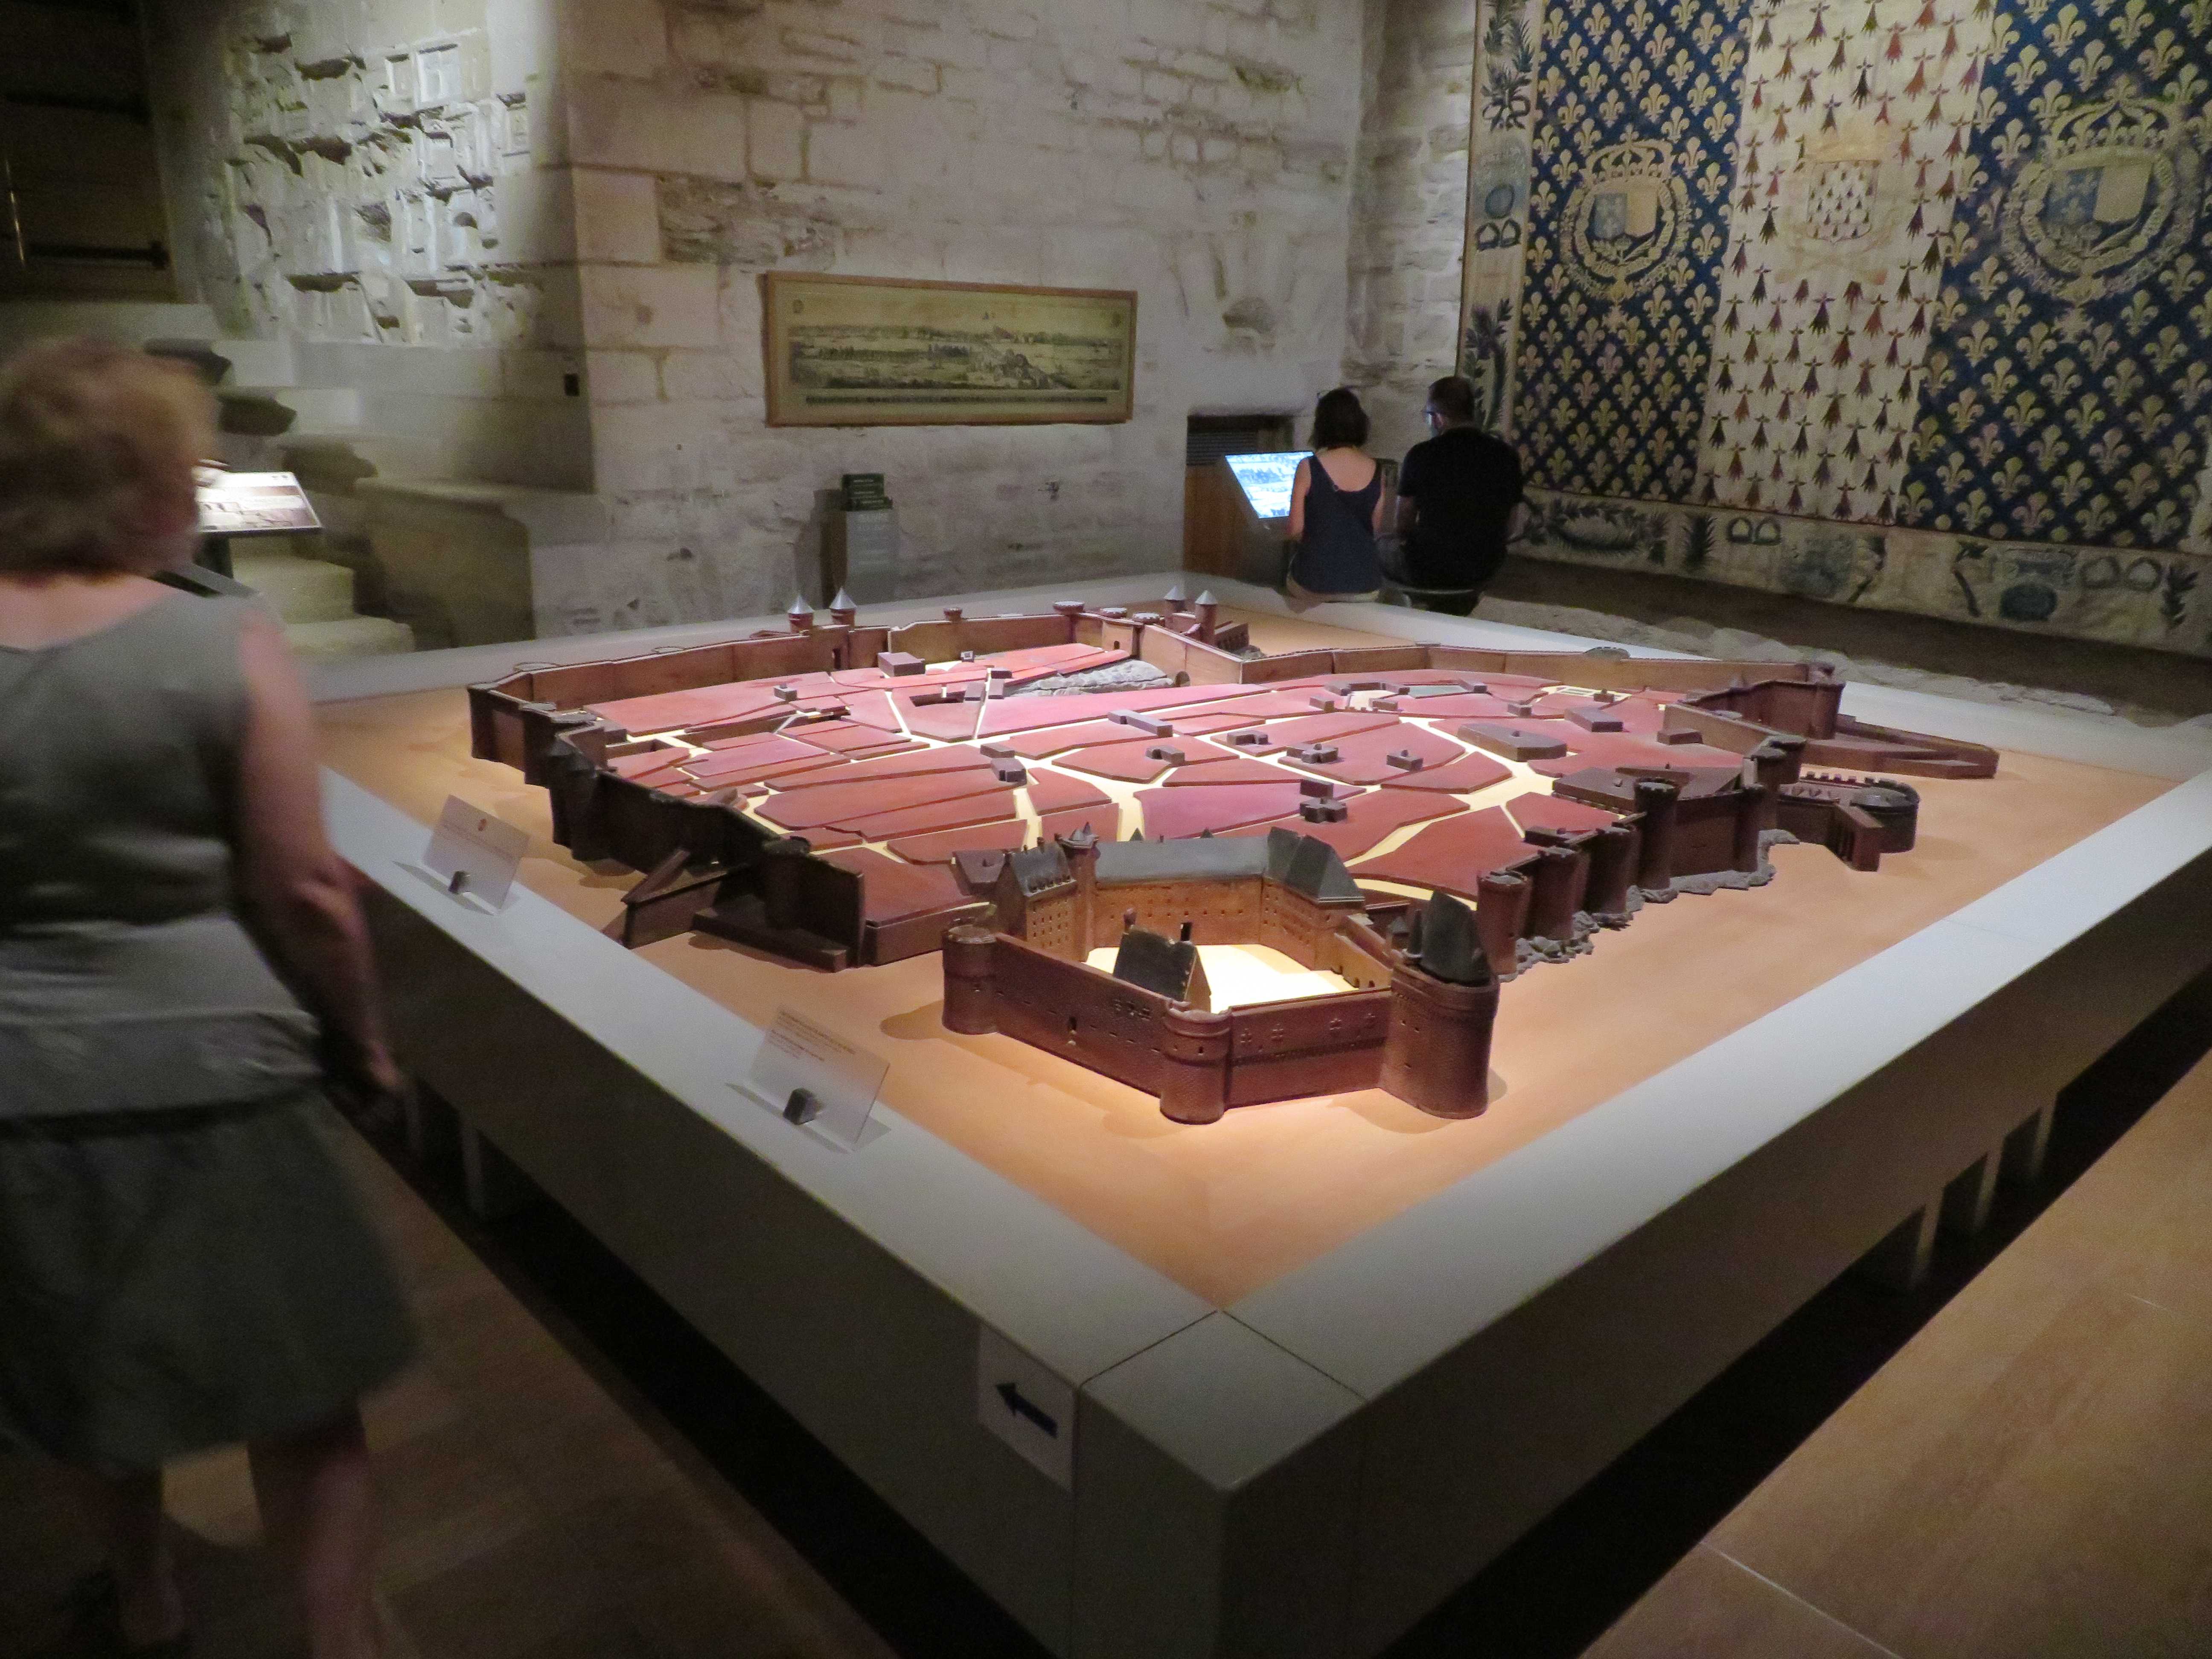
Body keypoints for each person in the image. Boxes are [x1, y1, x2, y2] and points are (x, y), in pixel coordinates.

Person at [0, 339, 414, 1659]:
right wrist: (362, 1041)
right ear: (146, 478)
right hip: (218, 1072)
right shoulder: (217, 635)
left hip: (18, 1081)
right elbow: (305, 888)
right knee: (304, 1393)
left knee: (88, 1386)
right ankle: (337, 1642)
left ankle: (146, 1602)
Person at [1391, 374, 1526, 614]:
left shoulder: (1421, 455)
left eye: (1429, 415)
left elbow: (1402, 525)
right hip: (1484, 567)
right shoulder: (1507, 456)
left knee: (1377, 547)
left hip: (1428, 567)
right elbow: (1511, 526)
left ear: (1439, 418)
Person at [1285, 386, 1386, 603]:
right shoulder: (1377, 470)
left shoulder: (1308, 467)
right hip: (1365, 584)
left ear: (1321, 426)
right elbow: (1375, 530)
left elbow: (1294, 530)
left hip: (1313, 585)